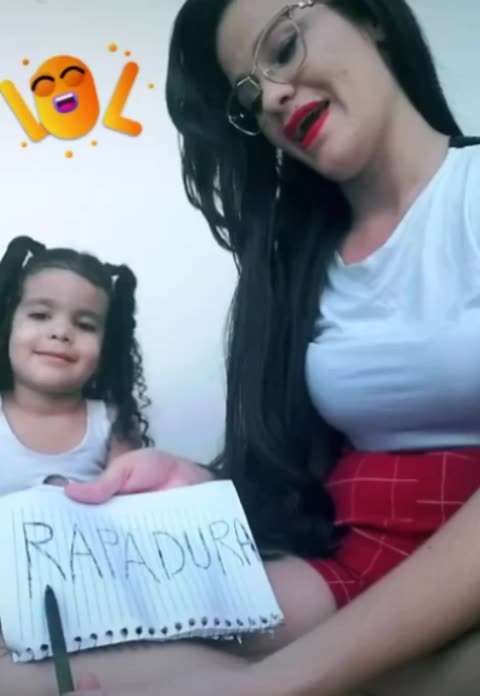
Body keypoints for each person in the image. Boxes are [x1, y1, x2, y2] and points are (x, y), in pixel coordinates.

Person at [3, 0, 480, 693]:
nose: (275, 98)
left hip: (443, 575)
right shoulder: (297, 269)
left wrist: (274, 682)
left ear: (369, 16)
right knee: (23, 660)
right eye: (250, 98)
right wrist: (195, 487)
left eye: (282, 49)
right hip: (356, 564)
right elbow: (300, 481)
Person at [0, 235, 153, 496]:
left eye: (85, 325)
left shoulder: (114, 425)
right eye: (40, 315)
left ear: (107, 349)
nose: (61, 333)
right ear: (6, 327)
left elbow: (131, 510)